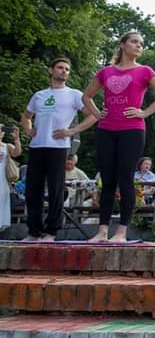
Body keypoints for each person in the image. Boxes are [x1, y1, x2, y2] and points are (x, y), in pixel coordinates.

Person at [83, 31, 155, 243]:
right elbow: (86, 96)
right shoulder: (106, 72)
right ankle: (102, 231)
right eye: (134, 41)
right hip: (106, 129)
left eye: (141, 43)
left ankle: (121, 232)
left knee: (125, 179)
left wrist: (144, 112)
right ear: (123, 44)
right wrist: (97, 114)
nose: (139, 45)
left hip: (132, 130)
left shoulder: (145, 71)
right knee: (107, 181)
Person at [20, 58, 97, 241]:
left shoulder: (74, 94)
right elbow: (26, 116)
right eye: (60, 68)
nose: (64, 71)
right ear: (51, 70)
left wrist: (72, 131)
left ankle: (51, 231)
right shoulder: (39, 95)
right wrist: (28, 129)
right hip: (37, 145)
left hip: (58, 147)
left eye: (67, 69)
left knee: (56, 189)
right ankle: (34, 232)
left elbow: (94, 115)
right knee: (33, 189)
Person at [0, 124, 22, 231]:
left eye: (1, 130)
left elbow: (17, 153)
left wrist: (16, 139)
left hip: (2, 178)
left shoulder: (6, 146)